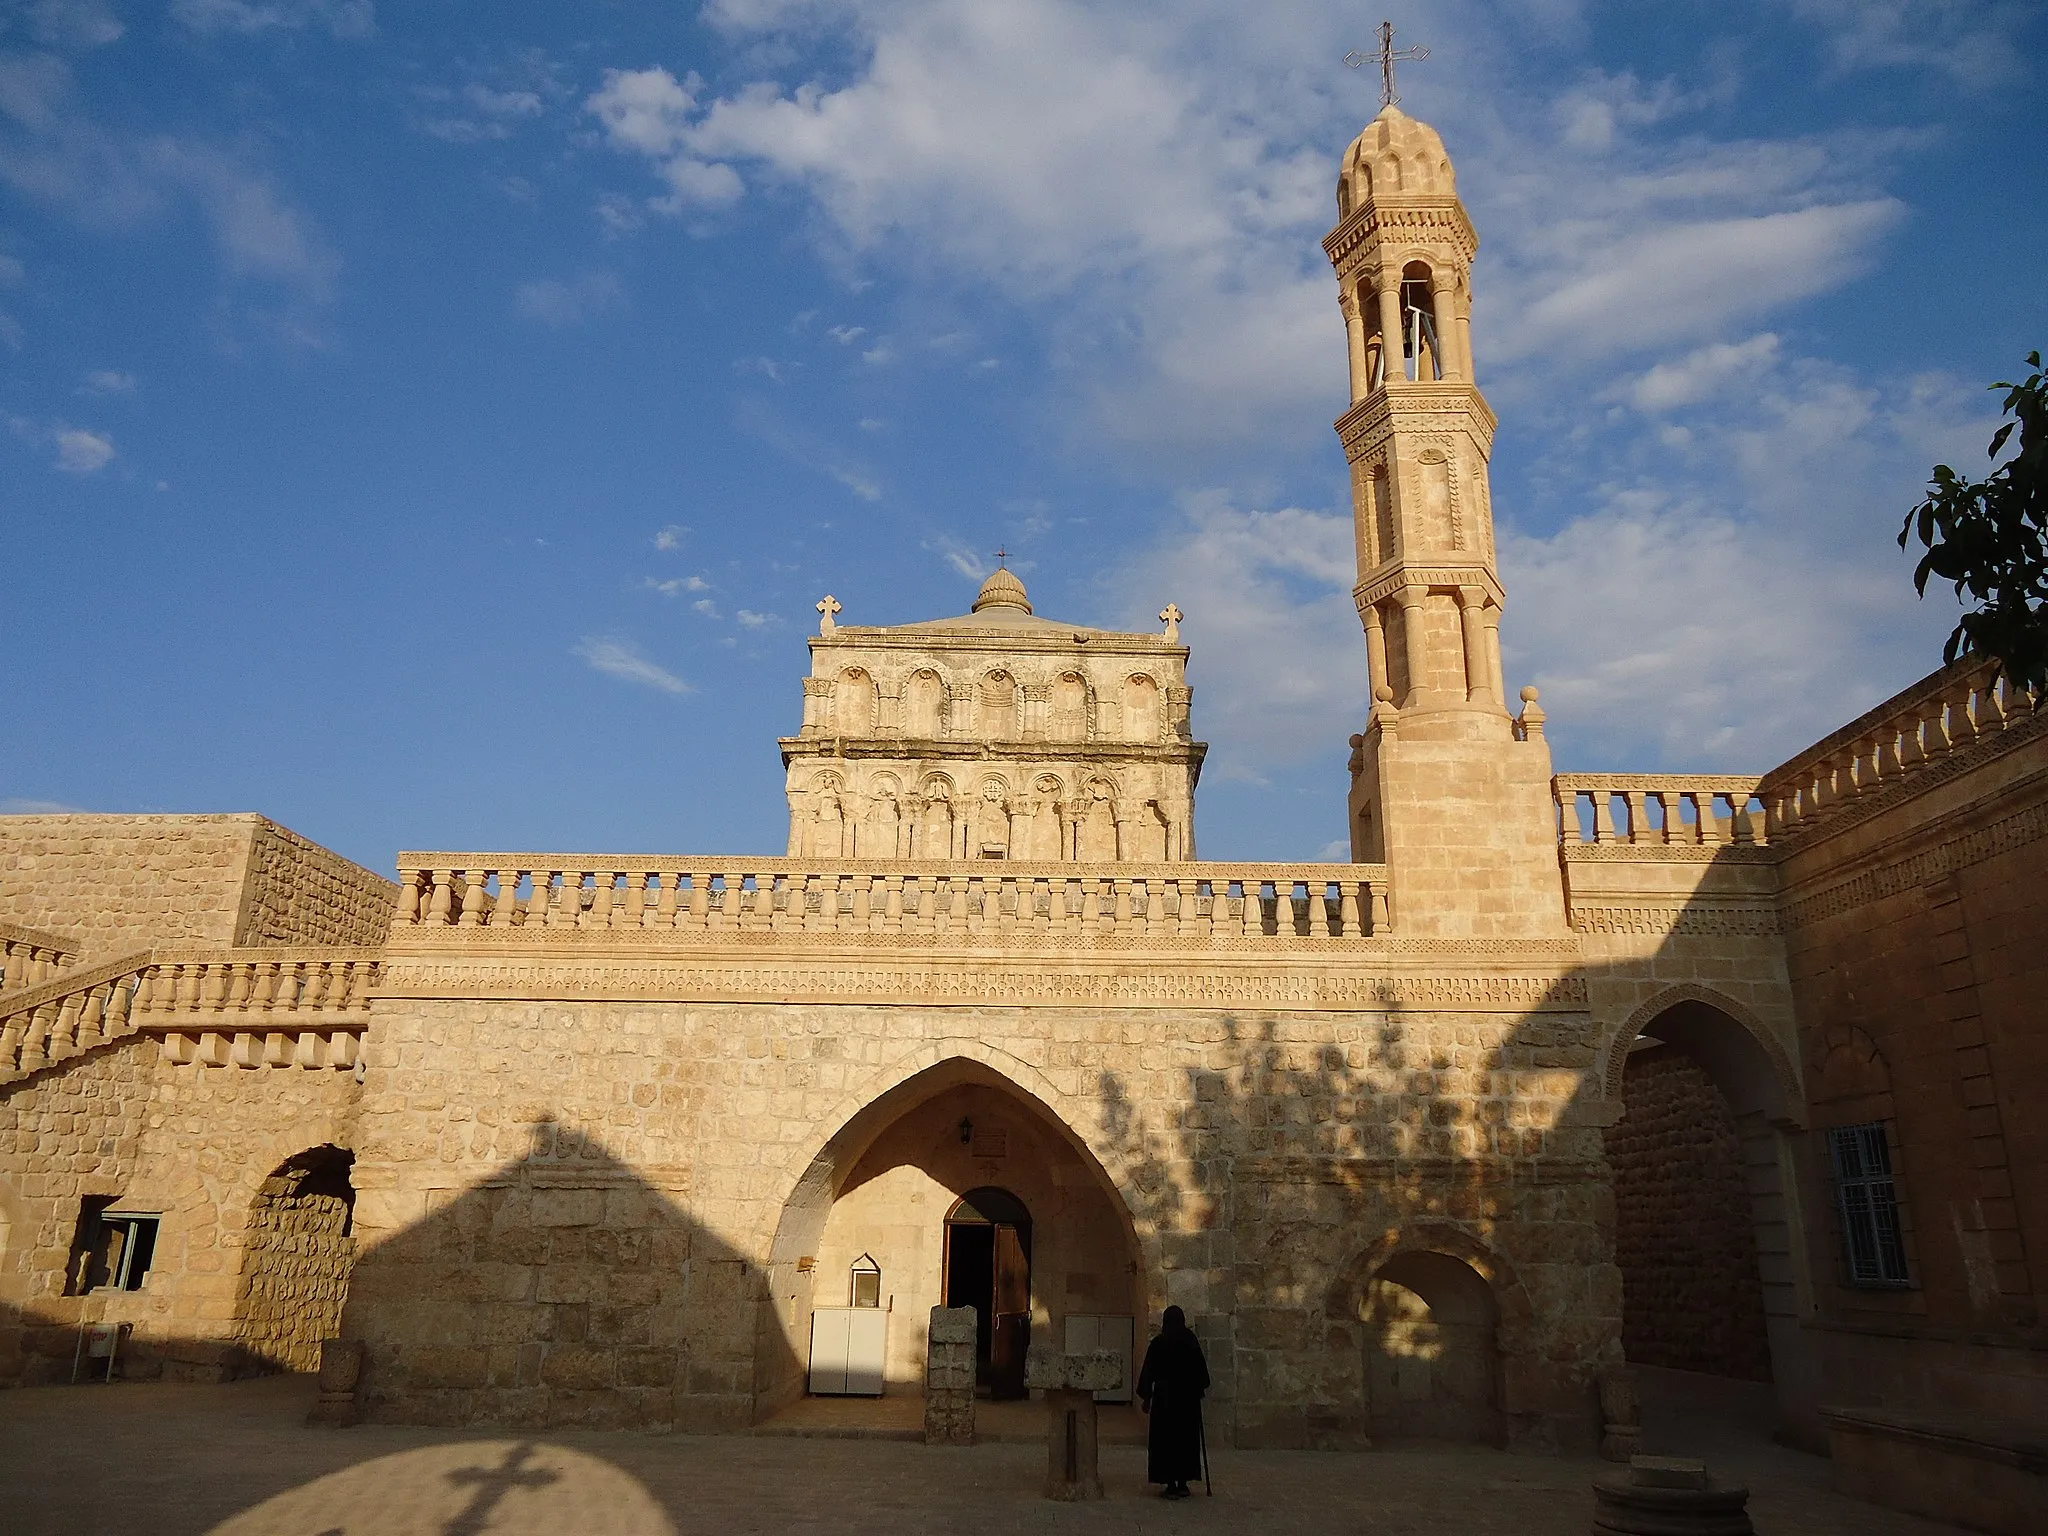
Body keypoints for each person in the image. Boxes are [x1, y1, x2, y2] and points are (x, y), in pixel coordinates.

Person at [1135, 1305, 1209, 1498]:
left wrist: (1146, 1398)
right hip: (1187, 1402)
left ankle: (1170, 1484)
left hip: (1165, 1402)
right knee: (1185, 1440)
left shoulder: (1159, 1343)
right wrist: (1199, 1388)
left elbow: (1149, 1372)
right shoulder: (1190, 1341)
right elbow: (1201, 1371)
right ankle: (1183, 1482)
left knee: (1166, 1442)